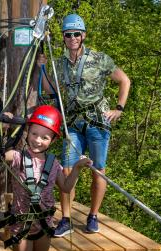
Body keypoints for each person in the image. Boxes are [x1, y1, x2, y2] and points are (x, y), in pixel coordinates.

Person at [37, 14, 131, 237]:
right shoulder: (58, 64)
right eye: (68, 35)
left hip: (97, 122)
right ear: (63, 37)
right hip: (72, 124)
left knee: (98, 170)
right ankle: (66, 218)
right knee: (67, 169)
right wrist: (41, 70)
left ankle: (93, 215)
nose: (72, 38)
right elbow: (51, 91)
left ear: (83, 35)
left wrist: (119, 108)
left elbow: (124, 80)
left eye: (76, 34)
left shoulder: (99, 59)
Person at [0, 105, 92, 251]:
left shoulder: (53, 164)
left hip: (45, 227)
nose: (38, 140)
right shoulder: (16, 157)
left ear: (53, 140)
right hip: (21, 228)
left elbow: (66, 188)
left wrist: (77, 168)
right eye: (34, 134)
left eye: (45, 137)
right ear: (27, 132)